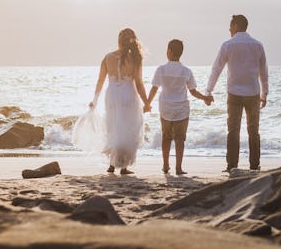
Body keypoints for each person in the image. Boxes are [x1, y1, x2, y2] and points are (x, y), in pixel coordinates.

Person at [205, 14, 268, 172]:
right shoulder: (258, 45)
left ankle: (232, 165)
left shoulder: (228, 45)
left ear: (236, 26)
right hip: (253, 92)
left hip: (234, 93)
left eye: (230, 25)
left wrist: (209, 90)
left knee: (233, 130)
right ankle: (254, 165)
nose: (229, 28)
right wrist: (264, 93)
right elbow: (263, 72)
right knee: (253, 130)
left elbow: (216, 68)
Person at [88, 28, 150, 175]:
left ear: (118, 41)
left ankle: (111, 164)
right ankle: (123, 166)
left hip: (112, 95)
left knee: (113, 127)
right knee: (128, 128)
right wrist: (146, 102)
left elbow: (100, 81)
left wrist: (94, 100)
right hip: (128, 94)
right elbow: (139, 83)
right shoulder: (135, 58)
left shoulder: (107, 57)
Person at [146, 39, 211, 175]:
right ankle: (178, 168)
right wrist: (205, 98)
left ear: (169, 51)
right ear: (181, 53)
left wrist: (147, 103)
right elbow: (193, 91)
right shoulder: (186, 71)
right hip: (181, 109)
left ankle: (165, 165)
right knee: (180, 139)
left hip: (165, 108)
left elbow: (154, 88)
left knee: (166, 137)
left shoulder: (161, 69)